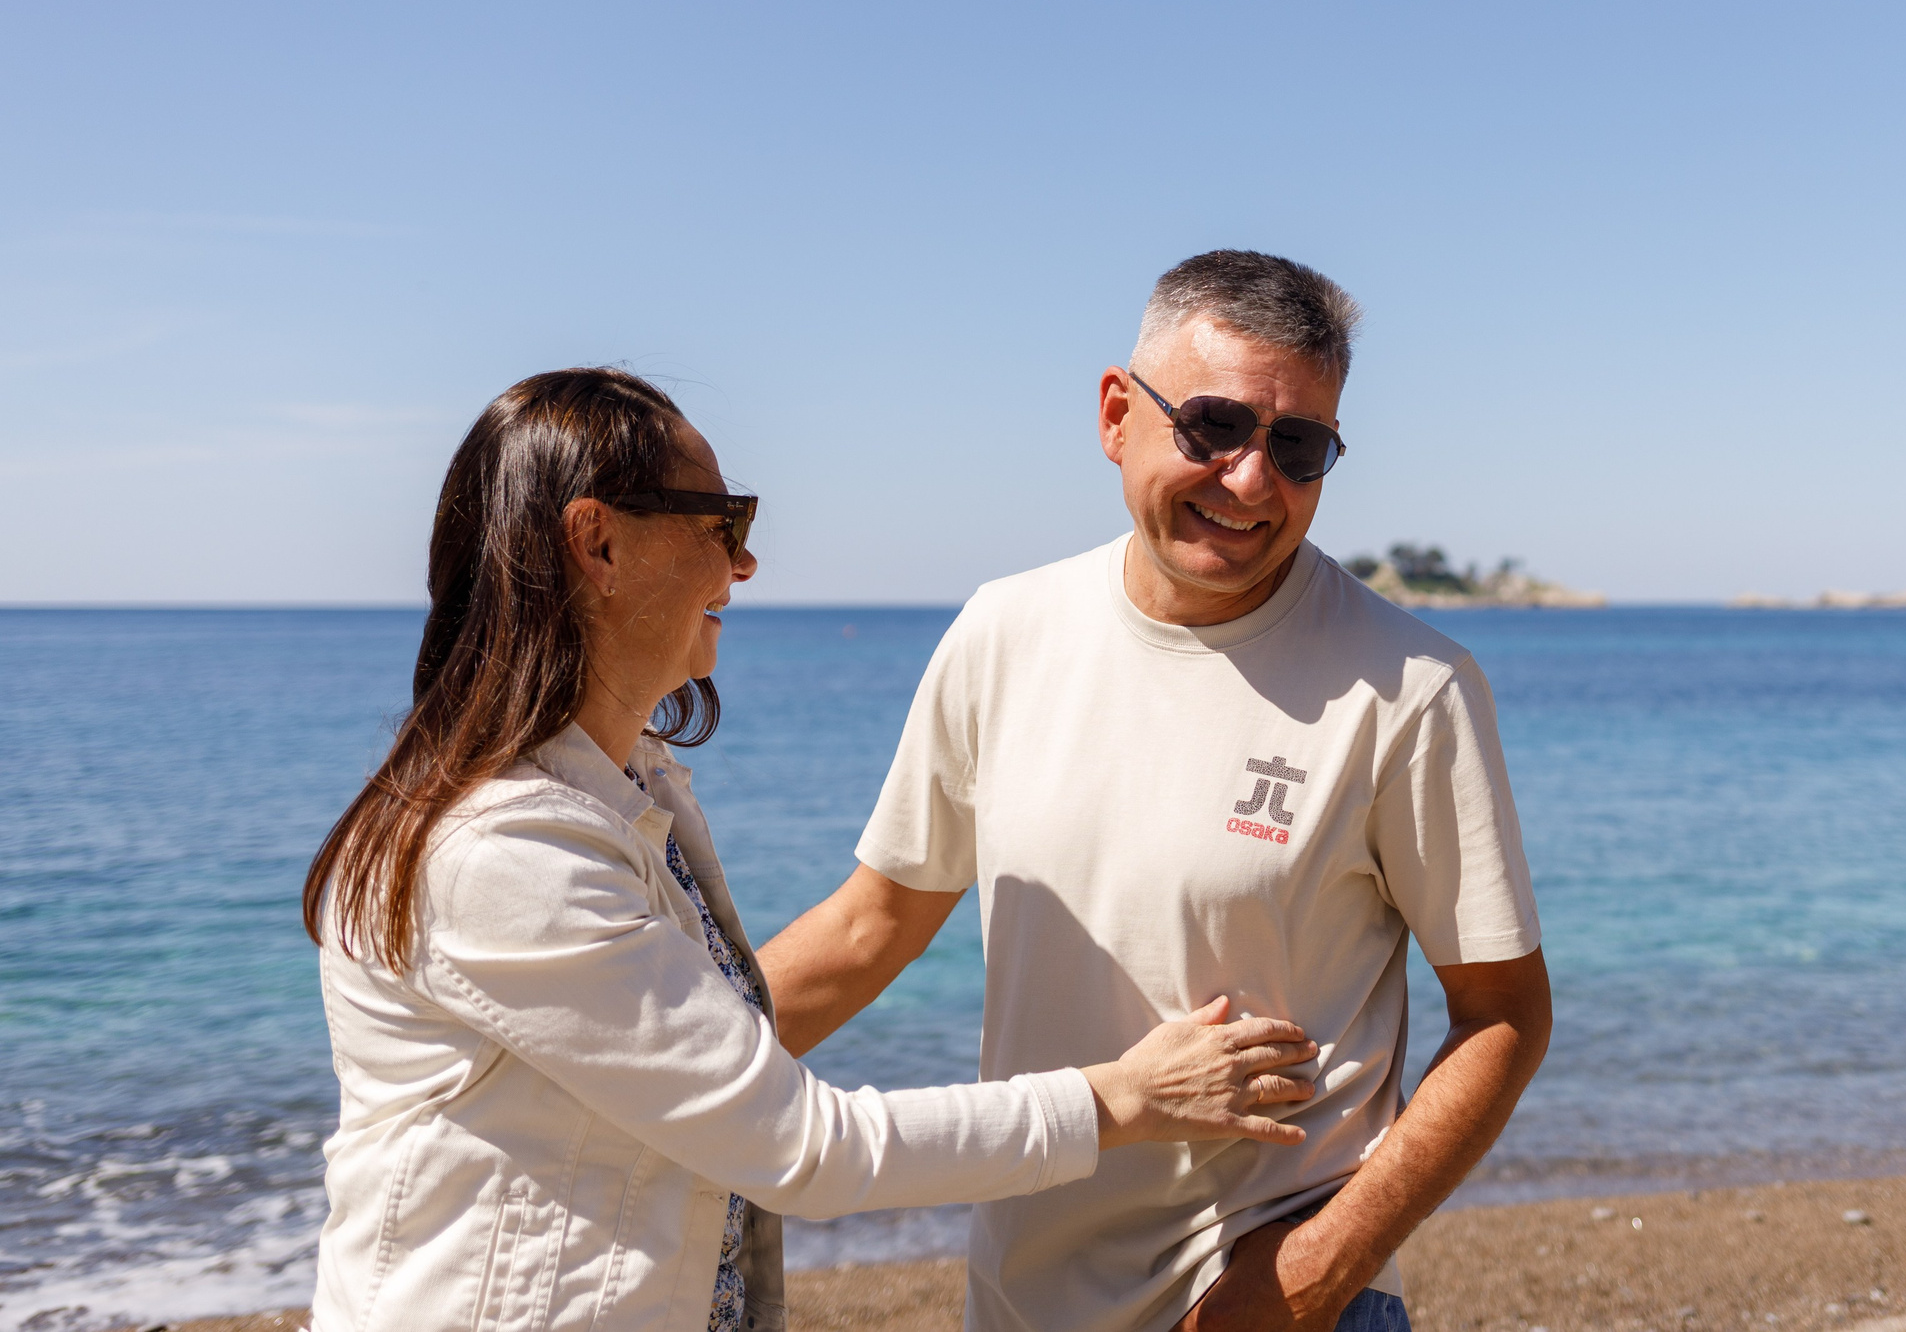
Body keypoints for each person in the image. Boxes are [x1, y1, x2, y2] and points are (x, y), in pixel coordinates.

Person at [303, 368, 1318, 1332]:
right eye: (722, 524)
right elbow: (801, 1148)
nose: (742, 564)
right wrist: (1126, 1097)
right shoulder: (501, 849)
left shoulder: (628, 792)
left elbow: (728, 1046)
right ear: (597, 543)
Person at [760, 253, 1549, 1332]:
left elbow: (1503, 1017)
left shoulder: (1412, 690)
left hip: (1272, 1303)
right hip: (1020, 1299)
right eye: (1213, 427)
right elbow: (869, 928)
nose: (1250, 481)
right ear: (1115, 414)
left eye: (1298, 446)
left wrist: (1315, 1273)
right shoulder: (1004, 631)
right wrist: (633, 1075)